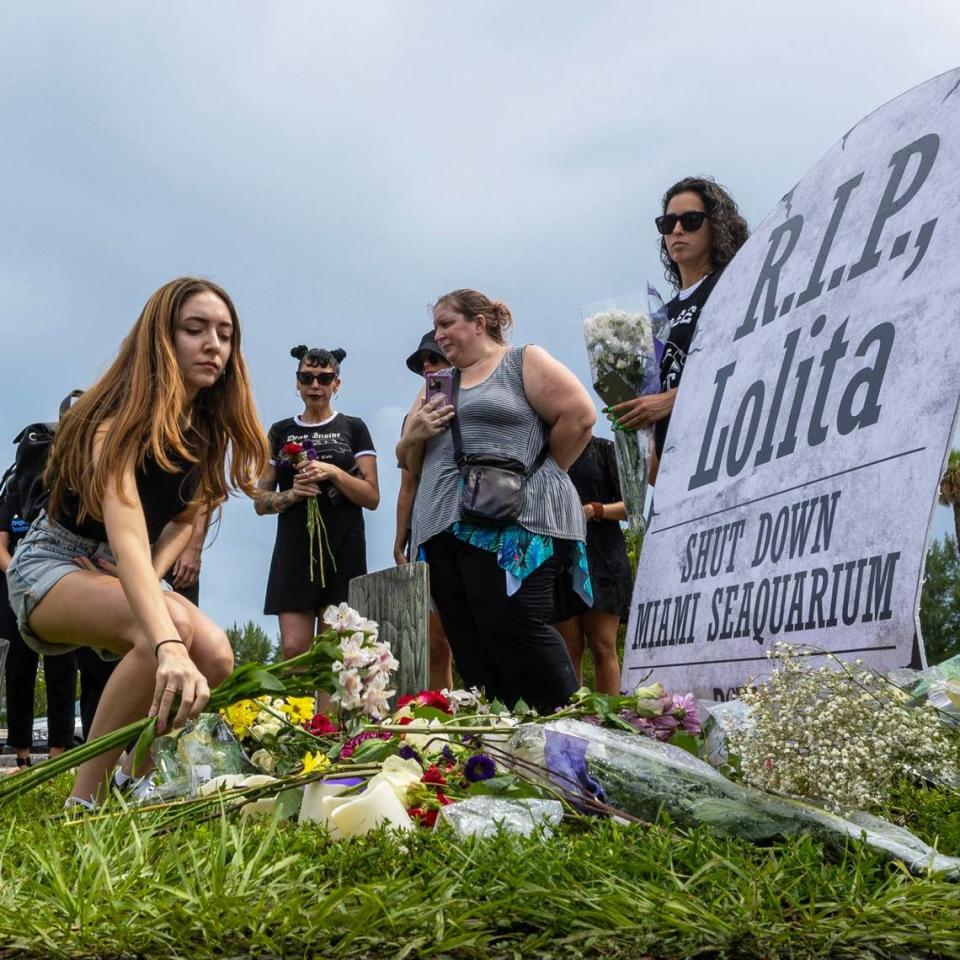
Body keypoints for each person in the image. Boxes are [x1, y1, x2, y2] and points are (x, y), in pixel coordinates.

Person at [5, 277, 268, 807]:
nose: (214, 344)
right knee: (163, 637)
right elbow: (126, 537)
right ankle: (84, 803)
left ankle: (135, 778)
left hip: (115, 568)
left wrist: (147, 573)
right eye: (195, 330)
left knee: (215, 654)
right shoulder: (113, 425)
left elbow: (177, 524)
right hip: (51, 564)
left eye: (225, 333)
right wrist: (164, 636)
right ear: (161, 341)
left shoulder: (203, 434)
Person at [397, 289, 596, 713]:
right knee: (470, 643)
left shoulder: (520, 360)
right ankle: (507, 745)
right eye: (436, 327)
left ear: (479, 323)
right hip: (440, 526)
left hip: (512, 523)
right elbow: (408, 461)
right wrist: (414, 435)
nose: (439, 335)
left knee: (512, 626)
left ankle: (575, 731)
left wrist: (534, 474)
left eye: (446, 323)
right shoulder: (438, 383)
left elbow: (579, 415)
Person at [608, 177, 748, 482]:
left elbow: (749, 365)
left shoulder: (733, 286)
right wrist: (636, 429)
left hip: (722, 453)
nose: (677, 230)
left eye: (691, 220)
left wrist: (672, 400)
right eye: (668, 223)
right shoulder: (662, 314)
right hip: (677, 473)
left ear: (718, 226)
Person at [256, 346, 379, 659]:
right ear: (296, 383)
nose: (315, 385)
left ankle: (327, 712)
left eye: (324, 378)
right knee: (294, 649)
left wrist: (334, 472)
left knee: (331, 655)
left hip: (343, 547)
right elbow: (260, 500)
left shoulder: (354, 427)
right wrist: (292, 494)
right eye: (306, 377)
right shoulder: (281, 431)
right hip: (295, 547)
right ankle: (297, 709)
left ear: (336, 383)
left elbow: (372, 497)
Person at [394, 331, 453, 690]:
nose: (428, 367)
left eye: (434, 359)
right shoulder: (412, 417)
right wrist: (400, 538)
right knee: (435, 642)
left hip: (475, 521)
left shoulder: (478, 399)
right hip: (427, 528)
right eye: (422, 364)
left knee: (475, 633)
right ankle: (445, 716)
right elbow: (408, 481)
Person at [1, 495, 78, 769]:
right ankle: (21, 754)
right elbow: (1, 547)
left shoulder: (60, 493)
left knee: (62, 668)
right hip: (17, 592)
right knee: (19, 672)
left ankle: (58, 753)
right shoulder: (11, 496)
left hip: (59, 589)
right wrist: (23, 577)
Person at [552, 436, 631, 694]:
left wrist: (595, 510)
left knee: (602, 644)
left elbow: (630, 506)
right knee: (567, 649)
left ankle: (610, 723)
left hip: (603, 556)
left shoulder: (604, 449)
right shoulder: (546, 454)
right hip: (559, 557)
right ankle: (570, 720)